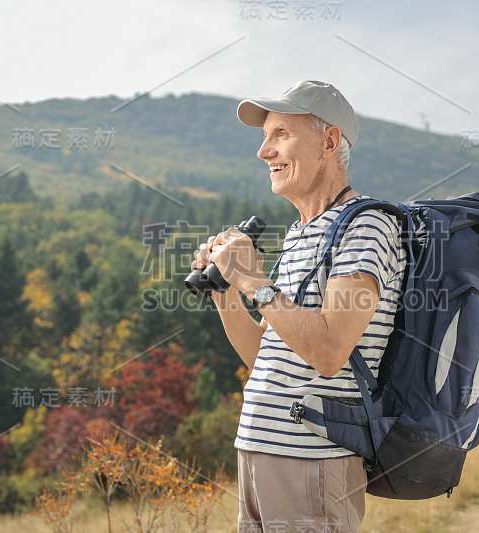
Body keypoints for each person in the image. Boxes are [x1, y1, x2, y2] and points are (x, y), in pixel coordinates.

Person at [191, 80, 406, 532]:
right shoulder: (300, 234)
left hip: (311, 462)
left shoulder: (366, 226)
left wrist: (253, 278)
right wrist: (227, 289)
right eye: (264, 136)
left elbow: (328, 352)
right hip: (259, 453)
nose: (263, 152)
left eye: (281, 134)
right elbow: (265, 356)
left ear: (329, 142)